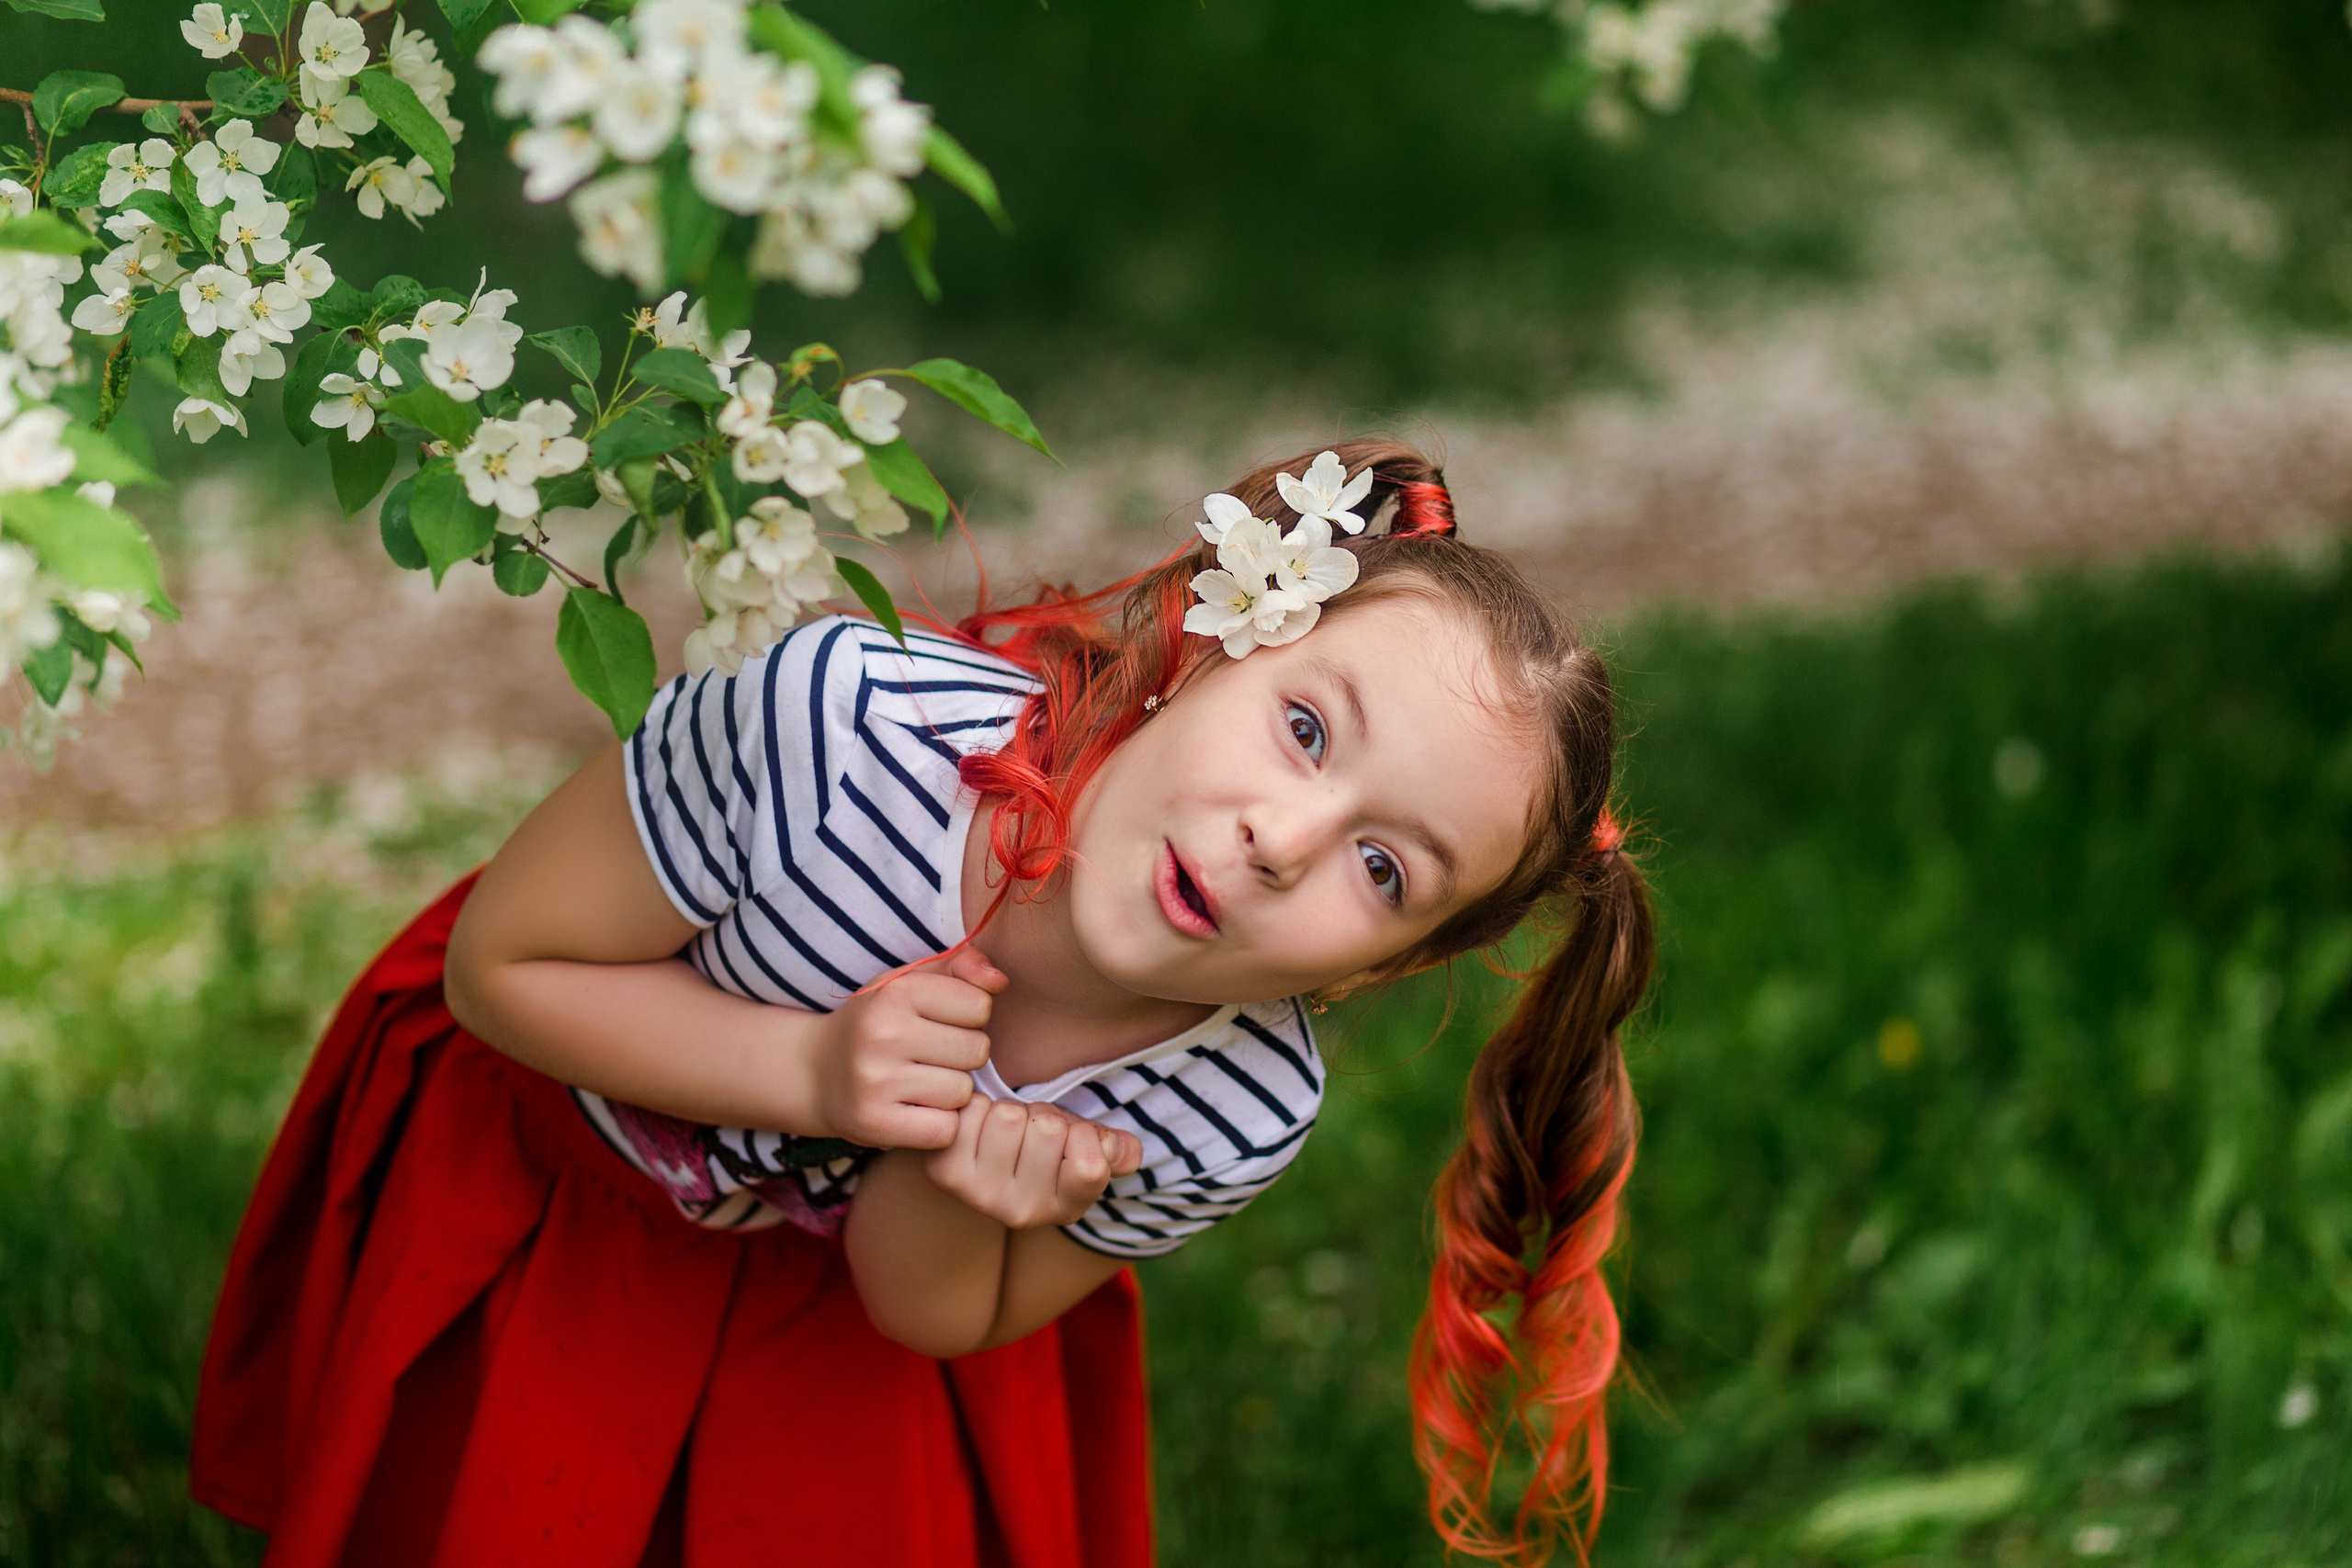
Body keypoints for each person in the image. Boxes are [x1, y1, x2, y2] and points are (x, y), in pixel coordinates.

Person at [190, 437, 1655, 1568]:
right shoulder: (839, 733)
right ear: (1205, 651)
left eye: (1386, 867)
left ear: (1375, 971)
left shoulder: (1231, 1101)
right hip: (562, 1165)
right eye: (1302, 727)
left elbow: (931, 1313)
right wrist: (821, 1079)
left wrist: (965, 1192)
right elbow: (500, 969)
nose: (1288, 836)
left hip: (830, 1323)